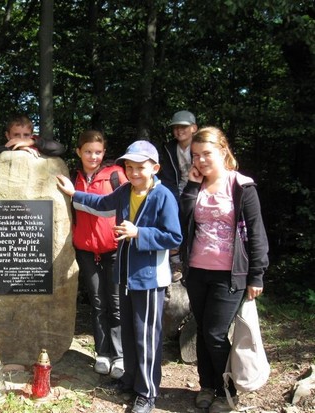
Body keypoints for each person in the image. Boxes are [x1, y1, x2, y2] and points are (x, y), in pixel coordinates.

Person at [57, 140, 182, 413]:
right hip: (125, 274)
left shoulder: (164, 197)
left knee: (146, 336)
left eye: (140, 167)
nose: (134, 172)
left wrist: (139, 233)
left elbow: (174, 236)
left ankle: (147, 393)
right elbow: (101, 203)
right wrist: (74, 193)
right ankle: (129, 380)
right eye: (130, 167)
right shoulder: (126, 190)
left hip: (149, 278)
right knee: (128, 332)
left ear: (155, 168)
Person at [179, 127, 269, 413]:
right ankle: (208, 385)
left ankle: (229, 391)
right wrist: (192, 187)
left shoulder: (242, 186)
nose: (201, 160)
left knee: (215, 332)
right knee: (203, 333)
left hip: (230, 274)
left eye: (207, 153)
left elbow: (256, 234)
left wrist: (257, 274)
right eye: (195, 155)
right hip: (196, 270)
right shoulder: (196, 185)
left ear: (222, 150)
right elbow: (183, 221)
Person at [70, 130, 127, 378]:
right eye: (88, 151)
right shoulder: (74, 177)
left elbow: (126, 204)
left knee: (115, 303)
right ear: (79, 152)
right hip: (85, 249)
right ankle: (102, 353)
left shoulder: (115, 175)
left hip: (113, 248)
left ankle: (120, 355)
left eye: (97, 152)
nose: (93, 156)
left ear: (103, 153)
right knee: (97, 303)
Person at [159, 110, 198, 282]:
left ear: (194, 128)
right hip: (176, 189)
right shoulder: (169, 148)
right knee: (170, 219)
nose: (179, 131)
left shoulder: (201, 145)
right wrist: (171, 199)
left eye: (183, 127)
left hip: (199, 188)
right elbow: (167, 177)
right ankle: (175, 262)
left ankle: (192, 263)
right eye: (175, 128)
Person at [0, 114, 65, 164]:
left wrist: (33, 142)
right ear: (8, 136)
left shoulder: (37, 146)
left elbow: (61, 149)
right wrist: (13, 147)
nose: (21, 139)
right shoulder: (6, 148)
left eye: (26, 135)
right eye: (16, 135)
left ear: (32, 135)